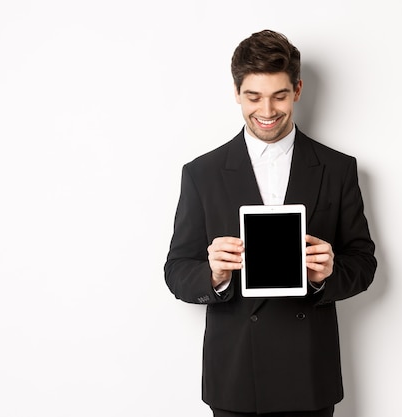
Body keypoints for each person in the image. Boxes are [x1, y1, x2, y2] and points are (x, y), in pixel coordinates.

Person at [164, 29, 377, 417]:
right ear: (236, 92)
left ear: (297, 89)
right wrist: (213, 275)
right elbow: (176, 270)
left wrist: (327, 273)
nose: (266, 110)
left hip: (309, 373)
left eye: (279, 95)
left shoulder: (337, 168)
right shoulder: (202, 173)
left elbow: (363, 262)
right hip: (236, 377)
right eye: (253, 96)